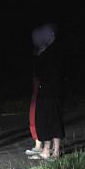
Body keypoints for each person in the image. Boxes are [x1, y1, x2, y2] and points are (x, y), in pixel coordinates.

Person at [28, 23, 65, 160]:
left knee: (46, 120)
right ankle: (55, 151)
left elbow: (39, 72)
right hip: (57, 90)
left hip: (47, 90)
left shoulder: (48, 51)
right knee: (55, 119)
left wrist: (39, 55)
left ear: (51, 35)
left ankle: (46, 150)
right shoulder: (59, 50)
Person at [25, 27, 43, 156]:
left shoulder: (46, 53)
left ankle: (40, 145)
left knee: (37, 116)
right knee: (34, 116)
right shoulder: (37, 53)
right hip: (36, 87)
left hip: (42, 88)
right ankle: (39, 144)